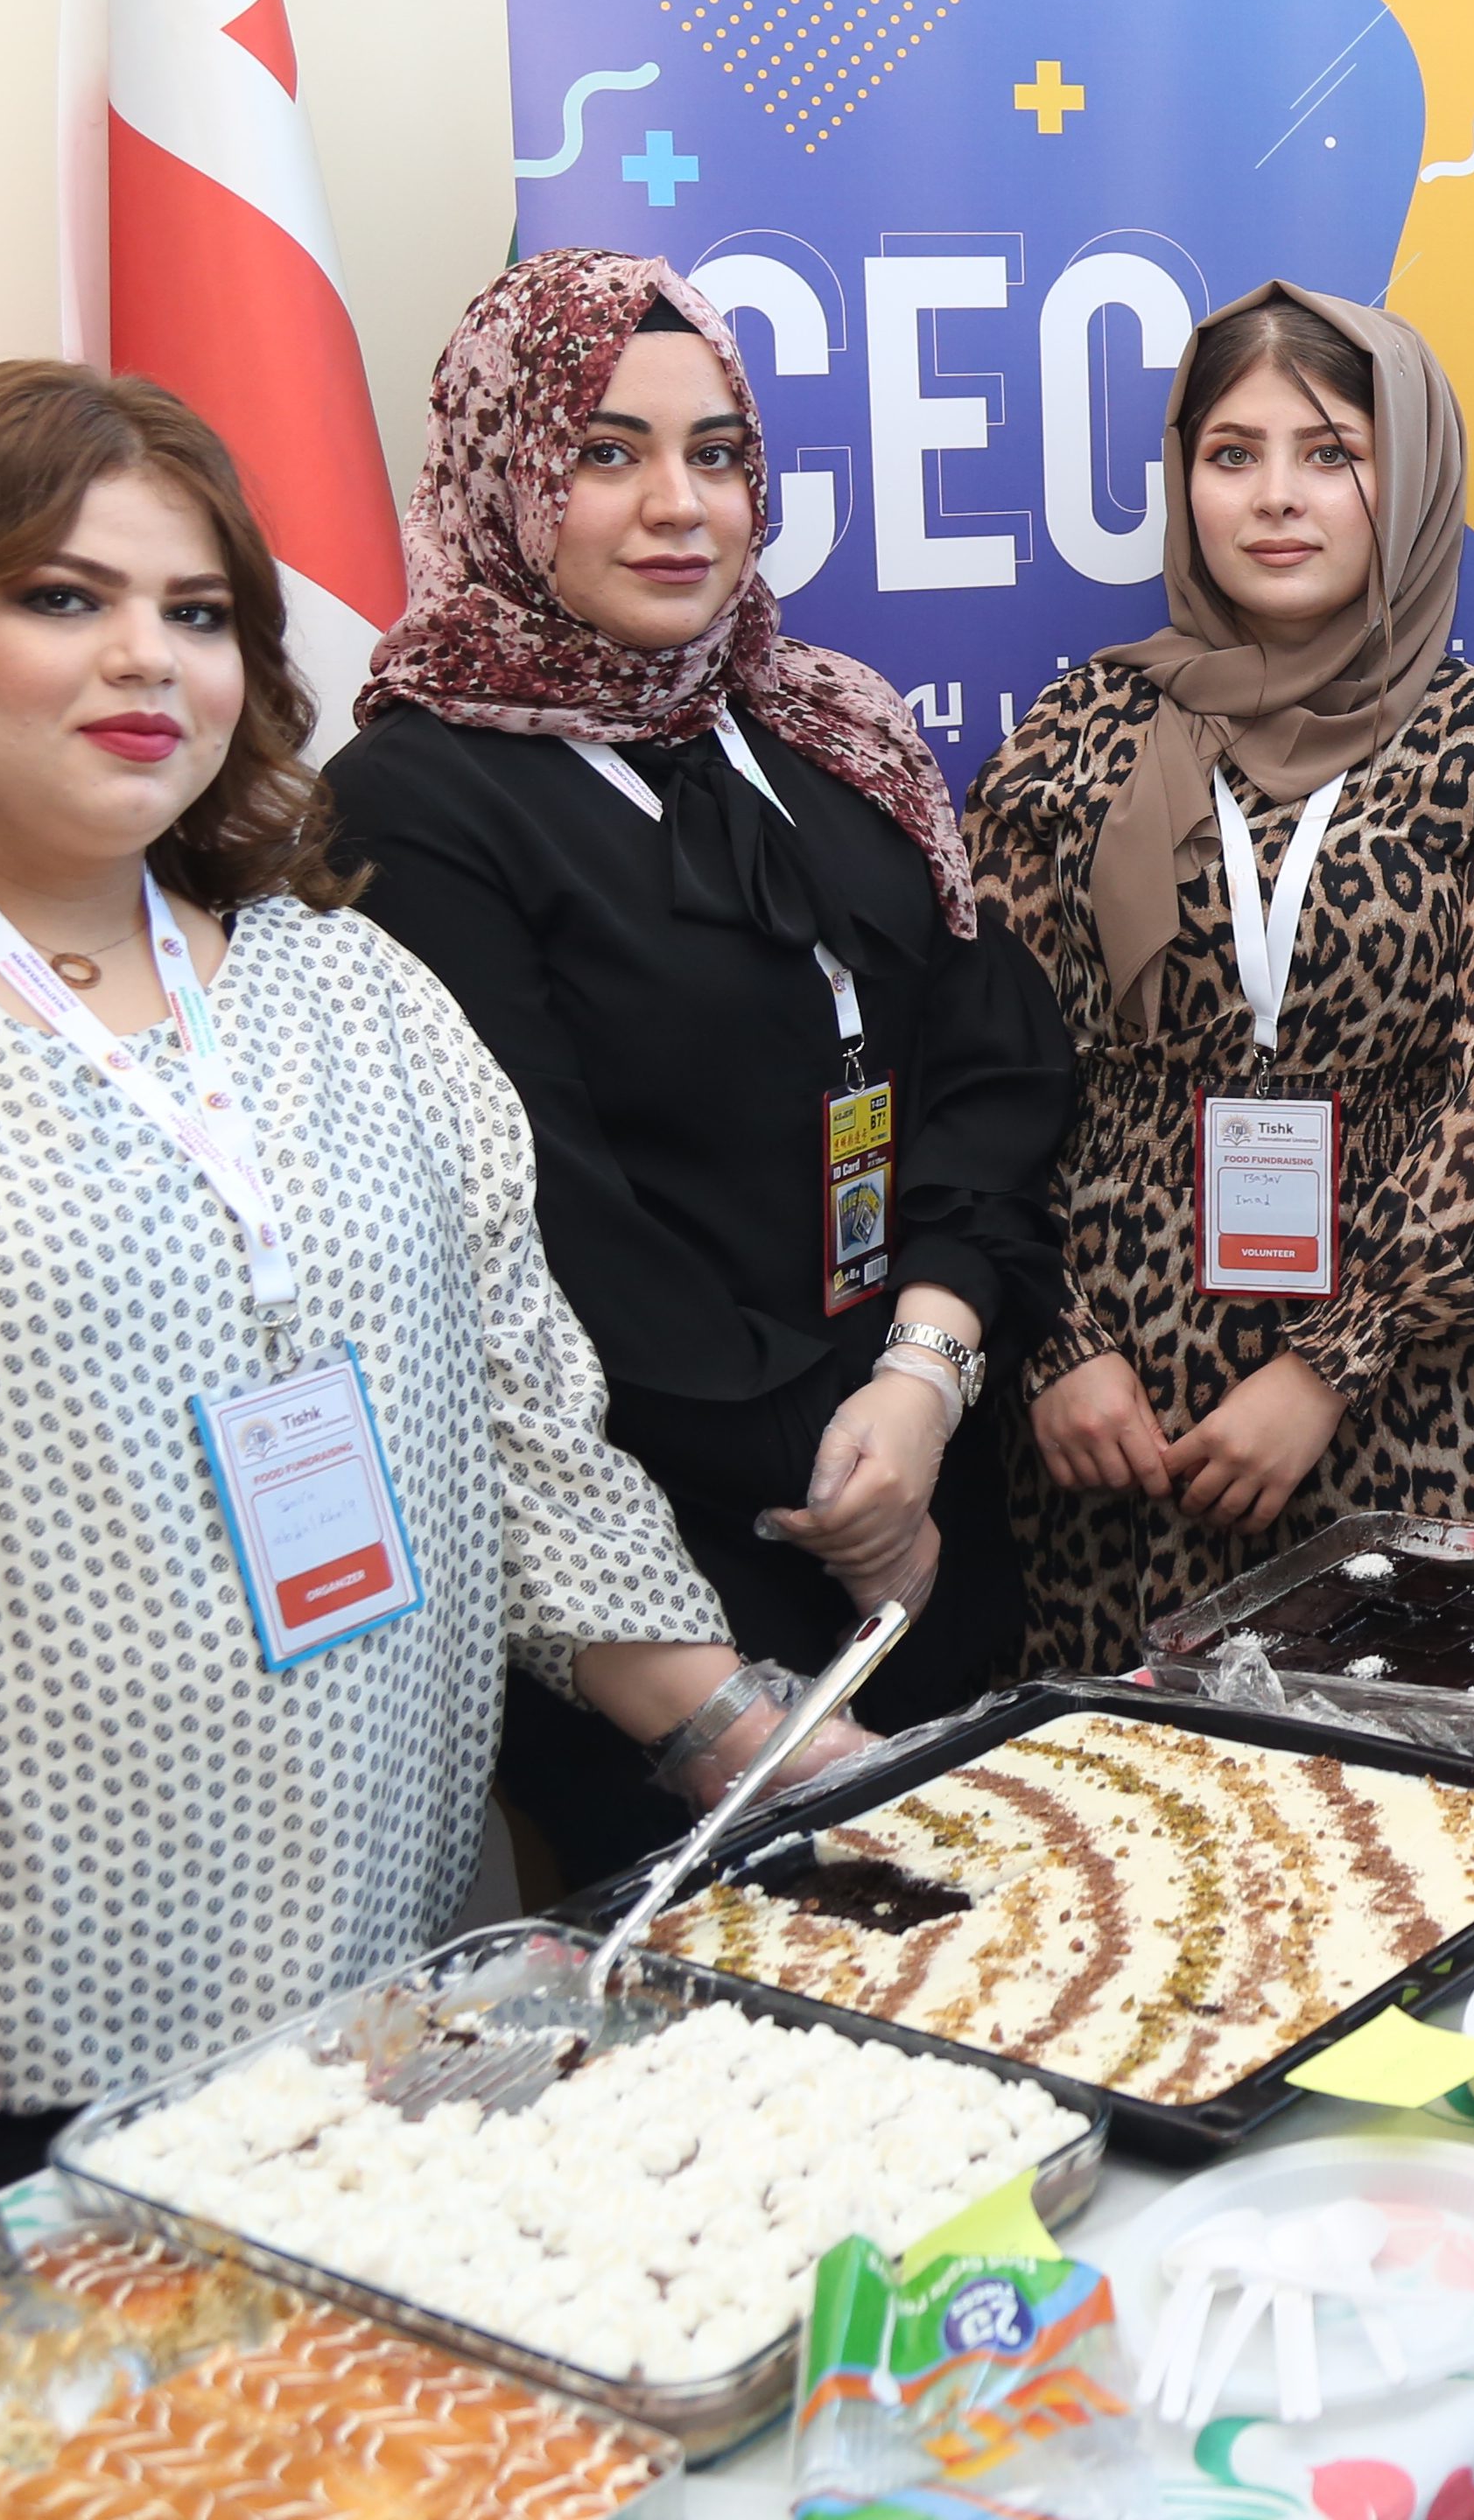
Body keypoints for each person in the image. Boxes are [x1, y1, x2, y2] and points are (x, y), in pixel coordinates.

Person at [0, 362, 849, 2305]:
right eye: (63, 597)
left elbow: (524, 1432)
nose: (146, 659)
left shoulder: (352, 989)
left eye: (197, 612)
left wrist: (740, 1730)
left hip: (340, 2010)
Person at [327, 249, 1073, 1890]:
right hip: (669, 1579)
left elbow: (989, 1066)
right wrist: (849, 1486)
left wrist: (924, 1378)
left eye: (717, 453)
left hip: (929, 1491)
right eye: (606, 453)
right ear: (506, 477)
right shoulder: (413, 801)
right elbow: (549, 1232)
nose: (680, 505)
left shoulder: (830, 725)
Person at [961, 283, 1474, 1671]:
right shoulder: (1073, 736)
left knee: (1419, 1772)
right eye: (1231, 453)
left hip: (1406, 1385)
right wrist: (1057, 1345)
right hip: (1116, 1412)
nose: (1275, 498)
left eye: (1331, 454)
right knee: (1127, 1785)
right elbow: (985, 1078)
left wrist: (1328, 1366)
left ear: (1408, 477)